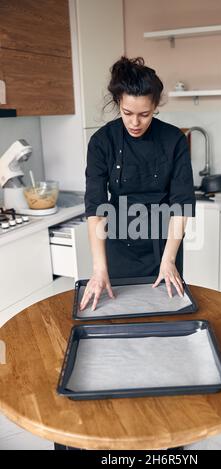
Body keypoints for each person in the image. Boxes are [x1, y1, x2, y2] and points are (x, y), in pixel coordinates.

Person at [80, 57, 195, 311]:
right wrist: (99, 269)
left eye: (144, 114)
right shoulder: (102, 142)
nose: (135, 123)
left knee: (168, 311)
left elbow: (182, 204)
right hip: (118, 244)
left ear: (155, 106)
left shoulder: (174, 140)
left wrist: (169, 259)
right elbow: (96, 207)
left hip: (165, 244)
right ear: (118, 103)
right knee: (120, 312)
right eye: (127, 113)